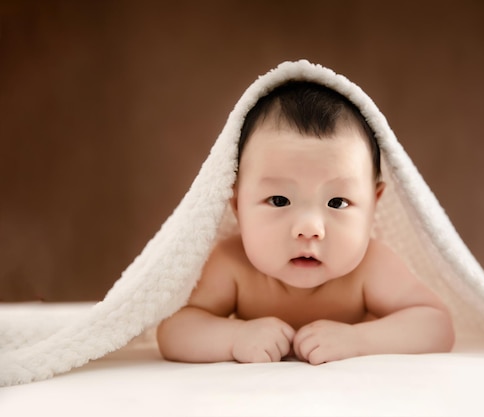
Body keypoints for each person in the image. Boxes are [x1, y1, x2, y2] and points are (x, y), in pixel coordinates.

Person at [156, 81, 454, 365]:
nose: (309, 228)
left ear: (374, 204)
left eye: (337, 202)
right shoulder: (232, 264)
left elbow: (435, 324)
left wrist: (358, 339)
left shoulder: (371, 266)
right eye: (279, 200)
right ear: (236, 205)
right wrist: (236, 336)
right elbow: (174, 330)